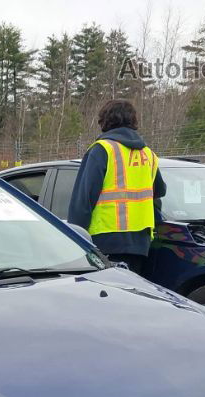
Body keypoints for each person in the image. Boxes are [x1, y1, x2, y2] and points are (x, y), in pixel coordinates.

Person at [67, 99, 166, 276]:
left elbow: (83, 201)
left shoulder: (102, 150)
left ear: (105, 121)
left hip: (104, 241)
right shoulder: (148, 154)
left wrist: (75, 238)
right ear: (133, 121)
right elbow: (160, 191)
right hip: (140, 242)